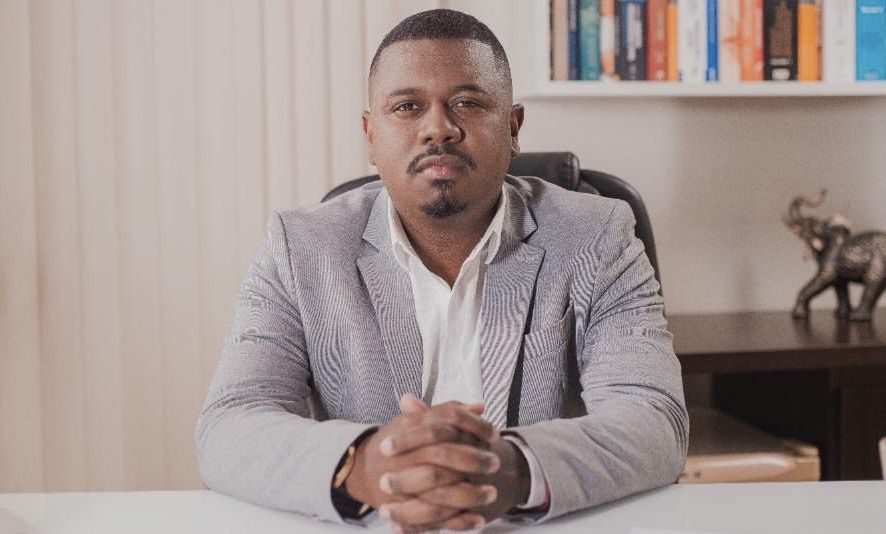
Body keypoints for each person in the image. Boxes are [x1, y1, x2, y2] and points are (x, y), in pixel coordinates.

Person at [196, 8, 688, 532]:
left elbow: (653, 419)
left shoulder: (598, 235)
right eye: (407, 107)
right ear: (371, 135)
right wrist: (366, 465)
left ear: (513, 128)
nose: (438, 129)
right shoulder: (299, 248)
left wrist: (513, 469)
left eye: (467, 103)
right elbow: (229, 424)